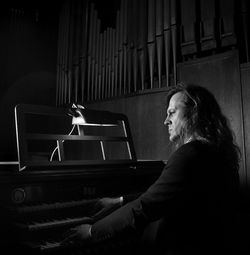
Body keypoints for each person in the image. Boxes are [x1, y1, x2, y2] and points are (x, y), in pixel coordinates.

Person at [62, 83, 240, 255]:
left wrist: (93, 231)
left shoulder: (190, 154)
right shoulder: (215, 151)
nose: (165, 121)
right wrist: (119, 200)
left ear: (194, 113)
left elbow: (146, 206)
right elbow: (162, 194)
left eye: (172, 112)